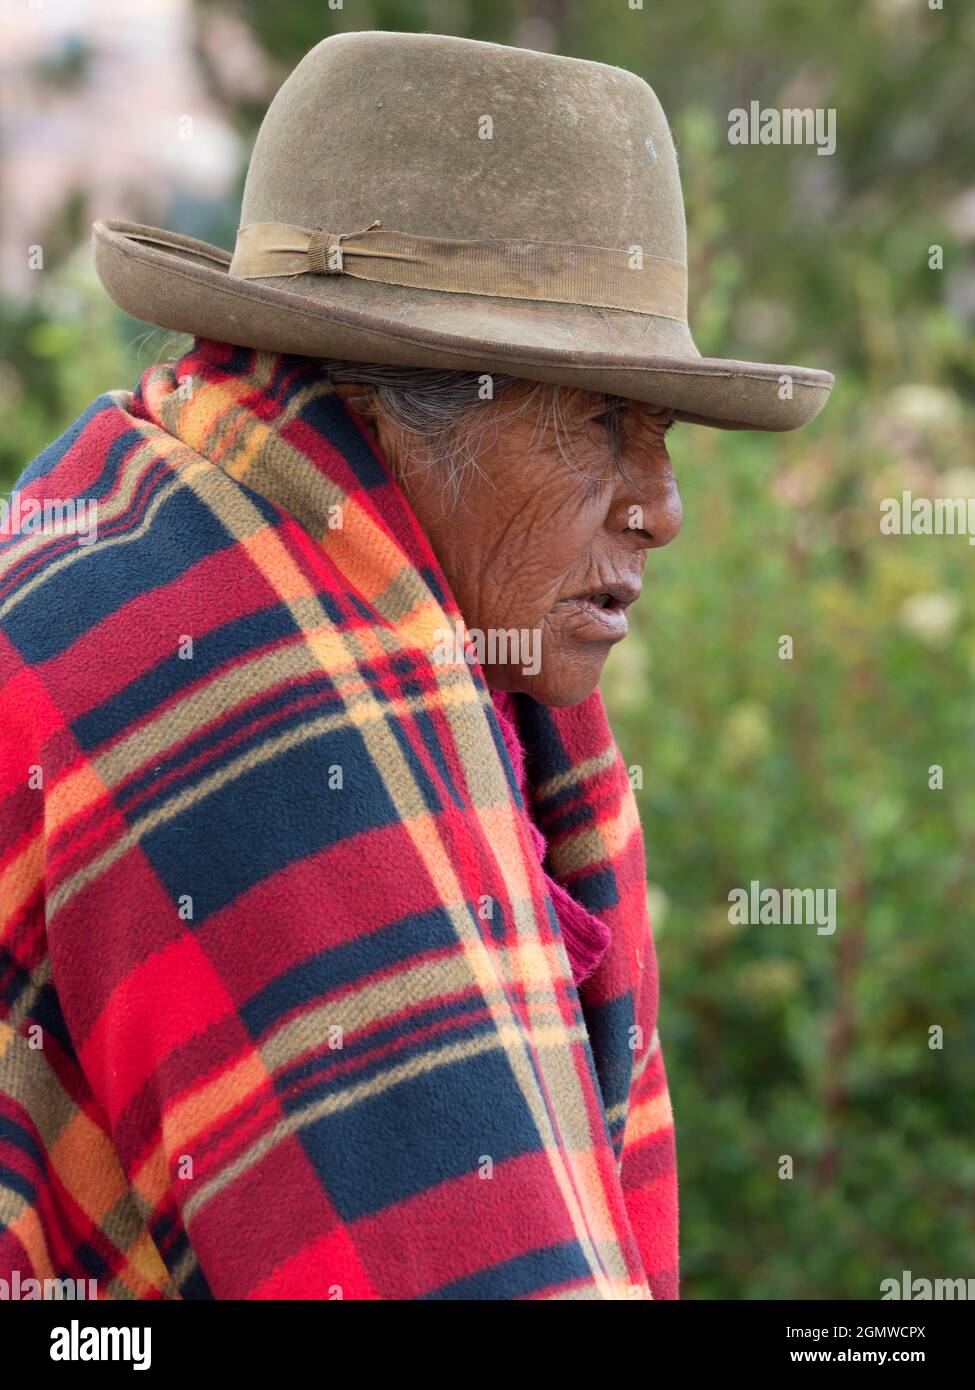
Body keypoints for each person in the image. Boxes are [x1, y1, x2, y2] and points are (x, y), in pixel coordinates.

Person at [0, 31, 832, 1300]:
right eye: (603, 424)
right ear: (401, 407)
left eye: (662, 435)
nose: (661, 507)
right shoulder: (267, 693)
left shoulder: (143, 512)